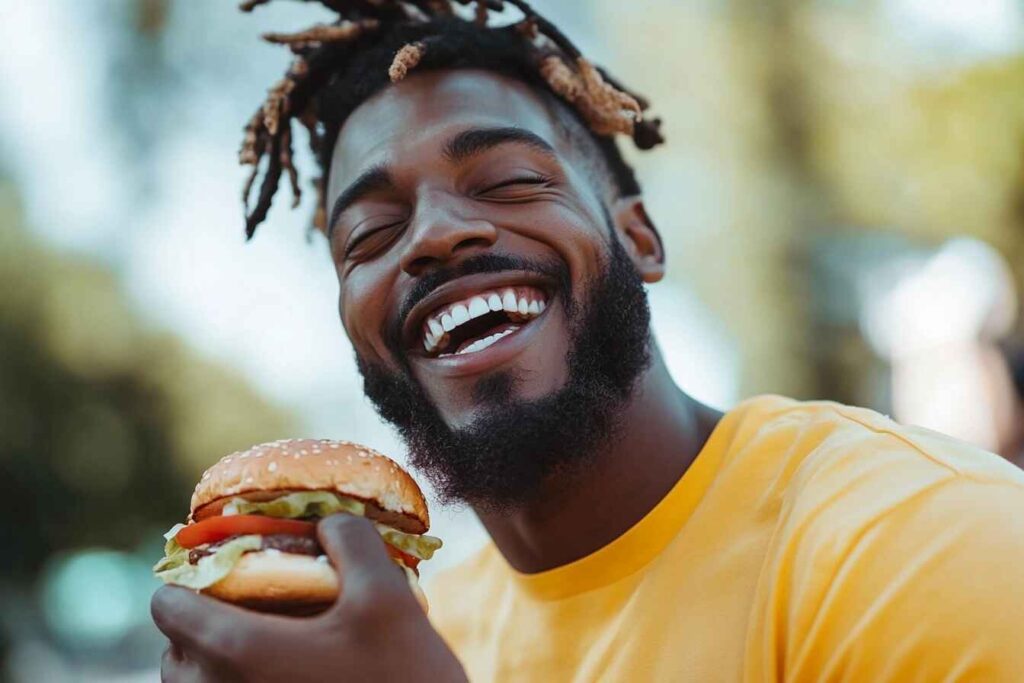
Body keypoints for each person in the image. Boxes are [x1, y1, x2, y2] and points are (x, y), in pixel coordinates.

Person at [151, 2, 1024, 680]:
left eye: (508, 180)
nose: (433, 235)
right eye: (370, 237)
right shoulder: (411, 631)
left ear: (638, 237)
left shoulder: (921, 544)